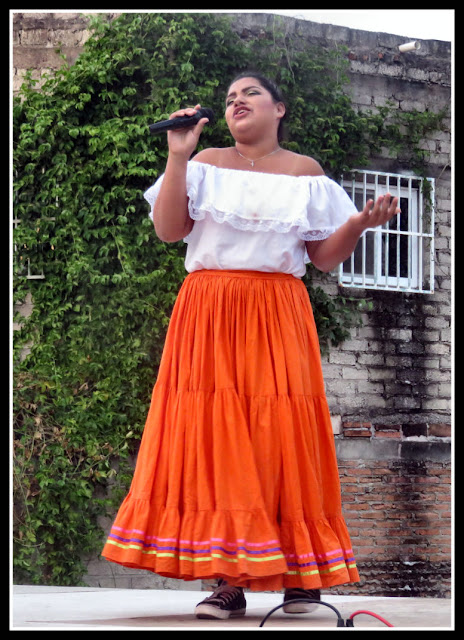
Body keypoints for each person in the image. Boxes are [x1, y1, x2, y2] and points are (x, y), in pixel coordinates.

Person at [101, 72, 399, 620]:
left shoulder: (305, 173)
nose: (236, 101)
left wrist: (357, 223)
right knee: (217, 439)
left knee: (282, 436)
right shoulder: (204, 162)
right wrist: (177, 155)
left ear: (279, 108)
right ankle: (228, 579)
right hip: (208, 310)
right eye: (230, 98)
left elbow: (324, 258)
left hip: (277, 309)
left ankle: (302, 577)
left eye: (250, 94)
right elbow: (168, 230)